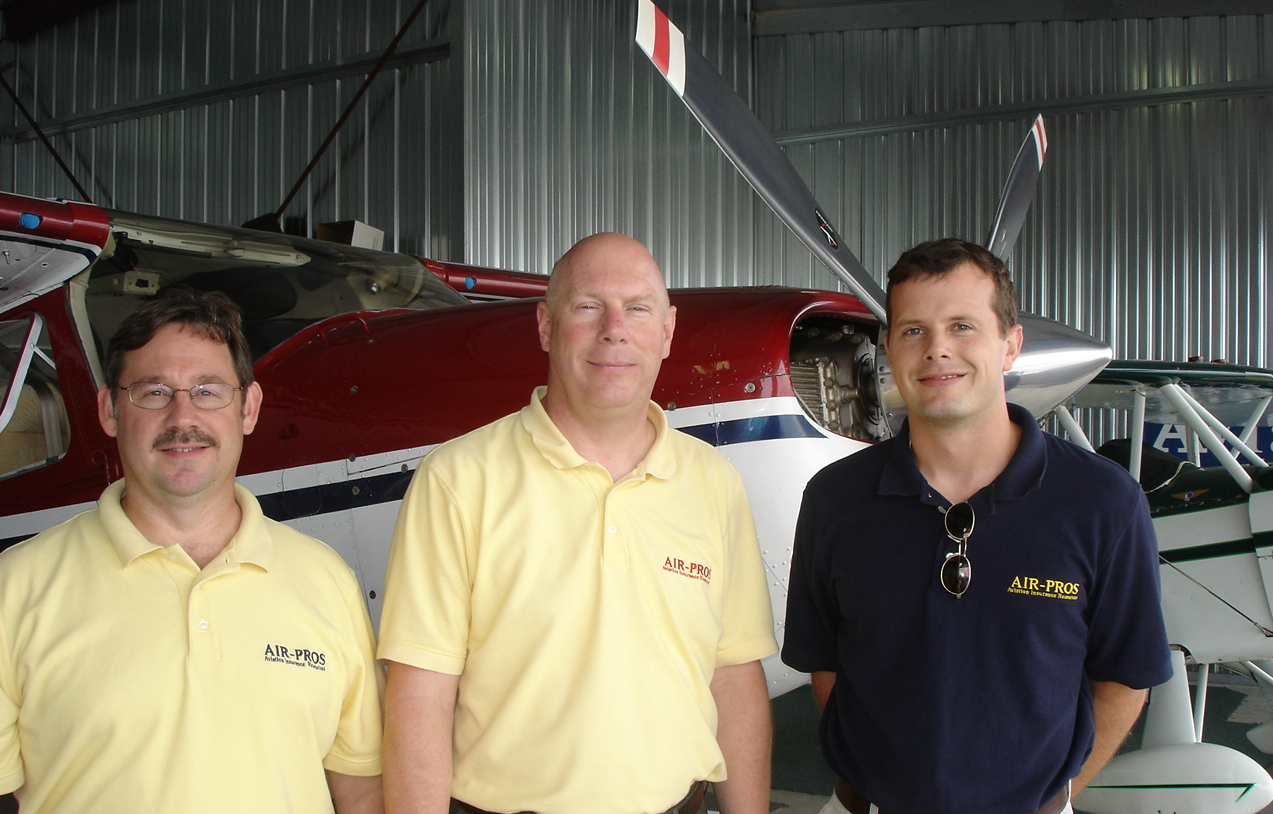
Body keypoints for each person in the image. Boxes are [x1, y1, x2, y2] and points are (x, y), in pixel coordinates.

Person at [379, 232, 777, 814]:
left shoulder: (715, 483)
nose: (614, 330)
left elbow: (734, 676)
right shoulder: (457, 480)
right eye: (589, 306)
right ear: (545, 326)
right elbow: (419, 697)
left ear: (668, 331)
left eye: (637, 309)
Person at [782, 238, 1172, 814]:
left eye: (962, 326)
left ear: (1010, 345)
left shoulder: (1104, 501)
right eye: (913, 330)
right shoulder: (834, 498)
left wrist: (1057, 798)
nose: (937, 349)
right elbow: (827, 660)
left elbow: (1127, 675)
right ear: (889, 350)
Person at [0, 288, 384, 813]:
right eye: (154, 391)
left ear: (248, 408)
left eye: (208, 391)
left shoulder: (326, 580)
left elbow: (362, 789)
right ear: (109, 410)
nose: (183, 416)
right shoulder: (15, 587)